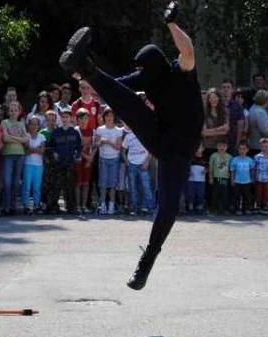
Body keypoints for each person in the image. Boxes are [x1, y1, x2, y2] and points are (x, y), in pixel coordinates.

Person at [59, 1, 203, 290]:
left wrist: (171, 24)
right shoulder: (145, 76)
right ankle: (85, 64)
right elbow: (114, 92)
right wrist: (85, 77)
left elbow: (187, 51)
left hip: (181, 148)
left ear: (156, 67)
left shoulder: (180, 72)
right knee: (128, 103)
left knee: (169, 207)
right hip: (160, 136)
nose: (140, 75)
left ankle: (147, 260)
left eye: (143, 71)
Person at [47, 108, 82, 213]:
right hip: (58, 164)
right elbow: (50, 146)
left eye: (67, 117)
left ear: (71, 118)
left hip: (70, 162)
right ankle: (53, 207)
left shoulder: (75, 132)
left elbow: (79, 146)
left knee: (69, 185)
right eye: (63, 117)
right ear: (60, 118)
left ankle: (70, 206)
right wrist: (53, 153)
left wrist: (78, 155)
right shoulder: (56, 132)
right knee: (56, 185)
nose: (65, 119)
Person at [0, 101, 28, 215]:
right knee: (7, 181)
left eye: (15, 110)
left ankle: (13, 205)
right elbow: (5, 138)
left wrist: (13, 137)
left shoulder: (21, 124)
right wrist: (18, 139)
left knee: (17, 181)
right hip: (8, 154)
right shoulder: (4, 122)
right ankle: (5, 205)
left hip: (20, 154)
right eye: (11, 110)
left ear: (19, 111)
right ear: (8, 111)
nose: (13, 112)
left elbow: (26, 139)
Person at [94, 107, 123, 214]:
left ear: (114, 117)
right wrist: (100, 142)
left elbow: (118, 147)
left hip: (114, 159)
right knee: (103, 183)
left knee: (113, 183)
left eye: (111, 116)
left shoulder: (118, 131)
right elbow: (96, 144)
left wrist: (107, 141)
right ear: (104, 117)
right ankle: (103, 205)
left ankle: (111, 204)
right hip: (103, 158)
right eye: (107, 116)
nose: (109, 118)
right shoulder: (100, 129)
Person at [123, 124, 154, 215]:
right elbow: (123, 151)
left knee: (146, 187)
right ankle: (134, 208)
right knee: (132, 188)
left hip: (143, 164)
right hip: (132, 164)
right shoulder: (128, 136)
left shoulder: (145, 135)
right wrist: (127, 162)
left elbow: (151, 150)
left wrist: (147, 162)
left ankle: (148, 207)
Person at [21, 115, 46, 214]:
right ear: (28, 125)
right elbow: (25, 151)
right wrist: (36, 149)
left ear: (39, 126)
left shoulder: (42, 137)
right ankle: (26, 205)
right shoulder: (26, 136)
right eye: (32, 124)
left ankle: (36, 204)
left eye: (36, 124)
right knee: (26, 185)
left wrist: (31, 149)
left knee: (37, 186)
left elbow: (42, 151)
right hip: (27, 164)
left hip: (39, 165)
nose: (34, 126)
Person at [220, 79, 246, 153]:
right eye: (224, 87)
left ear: (232, 90)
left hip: (232, 141)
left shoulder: (238, 106)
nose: (226, 89)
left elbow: (240, 126)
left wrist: (237, 143)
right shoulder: (217, 105)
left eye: (228, 87)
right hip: (218, 142)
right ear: (220, 89)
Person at [230, 141, 255, 215]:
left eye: (244, 149)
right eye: (240, 149)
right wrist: (232, 180)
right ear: (238, 149)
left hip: (247, 181)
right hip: (237, 181)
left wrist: (252, 179)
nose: (242, 151)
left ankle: (246, 209)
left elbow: (252, 171)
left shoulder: (250, 160)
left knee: (247, 197)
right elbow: (232, 171)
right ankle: (237, 209)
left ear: (247, 150)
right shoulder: (235, 159)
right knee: (236, 196)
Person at [208, 138, 232, 215]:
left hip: (225, 178)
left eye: (224, 146)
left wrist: (231, 179)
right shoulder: (213, 156)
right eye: (220, 146)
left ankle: (224, 209)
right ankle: (214, 209)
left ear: (227, 147)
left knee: (224, 193)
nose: (222, 148)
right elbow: (210, 167)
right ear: (216, 146)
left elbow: (231, 169)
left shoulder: (229, 157)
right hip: (216, 177)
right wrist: (210, 177)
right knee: (215, 193)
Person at [253, 138, 268, 214]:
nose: (264, 148)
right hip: (259, 178)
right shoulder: (257, 156)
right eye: (263, 147)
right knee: (259, 192)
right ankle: (259, 206)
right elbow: (254, 167)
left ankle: (267, 206)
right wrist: (253, 176)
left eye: (266, 146)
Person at [248, 90, 268, 155]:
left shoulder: (253, 108)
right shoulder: (260, 112)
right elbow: (265, 131)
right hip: (260, 146)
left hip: (254, 143)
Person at [186, 144, 208, 214]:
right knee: (190, 193)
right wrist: (189, 171)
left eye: (199, 147)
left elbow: (208, 167)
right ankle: (190, 207)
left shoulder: (205, 158)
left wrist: (206, 170)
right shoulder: (191, 157)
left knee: (200, 194)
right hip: (191, 180)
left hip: (201, 180)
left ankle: (199, 207)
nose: (198, 148)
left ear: (203, 149)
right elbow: (187, 165)